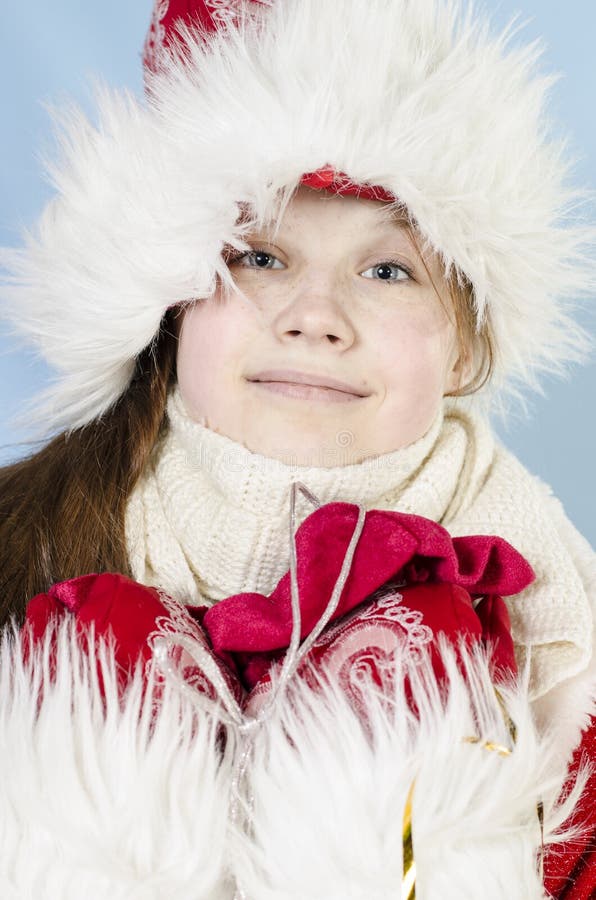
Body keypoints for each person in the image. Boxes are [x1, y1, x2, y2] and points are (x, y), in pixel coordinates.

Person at [0, 1, 594, 896]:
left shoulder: (565, 628)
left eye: (387, 270)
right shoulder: (28, 536)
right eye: (261, 257)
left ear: (465, 349)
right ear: (172, 305)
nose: (315, 317)